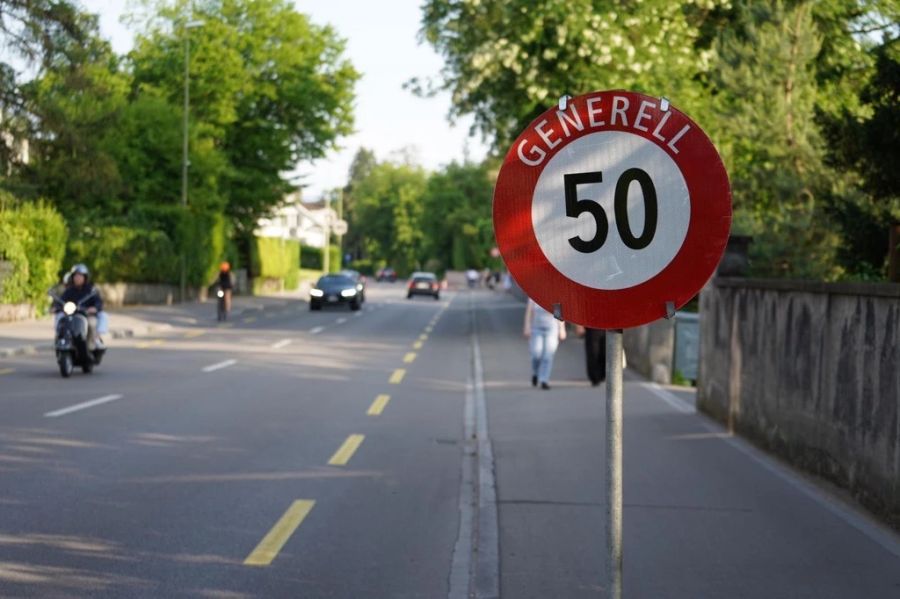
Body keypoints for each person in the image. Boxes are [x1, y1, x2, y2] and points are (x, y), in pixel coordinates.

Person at [57, 264, 106, 349]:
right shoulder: (69, 290)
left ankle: (93, 343)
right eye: (75, 276)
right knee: (61, 321)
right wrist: (56, 306)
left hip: (87, 315)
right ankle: (62, 340)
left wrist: (94, 308)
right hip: (72, 315)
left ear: (85, 277)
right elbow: (61, 301)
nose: (77, 278)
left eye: (80, 276)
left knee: (91, 324)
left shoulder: (91, 290)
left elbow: (98, 302)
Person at [523, 299, 566, 390]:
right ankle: (535, 373)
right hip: (536, 329)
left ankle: (544, 380)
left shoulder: (553, 295)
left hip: (552, 329)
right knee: (536, 354)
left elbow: (558, 314)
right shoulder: (533, 295)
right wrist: (527, 326)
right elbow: (529, 312)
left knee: (547, 356)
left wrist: (562, 329)